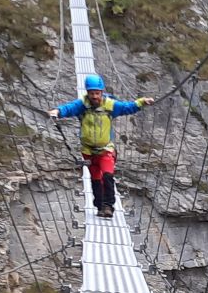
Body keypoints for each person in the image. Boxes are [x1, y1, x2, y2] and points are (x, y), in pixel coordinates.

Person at [48, 74, 153, 218]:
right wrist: (57, 111)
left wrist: (141, 102)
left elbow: (127, 107)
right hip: (88, 151)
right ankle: (99, 207)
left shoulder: (110, 106)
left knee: (108, 176)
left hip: (105, 150)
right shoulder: (82, 106)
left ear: (102, 92)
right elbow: (69, 108)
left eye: (97, 93)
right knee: (96, 179)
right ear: (88, 93)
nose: (95, 96)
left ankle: (109, 206)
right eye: (92, 93)